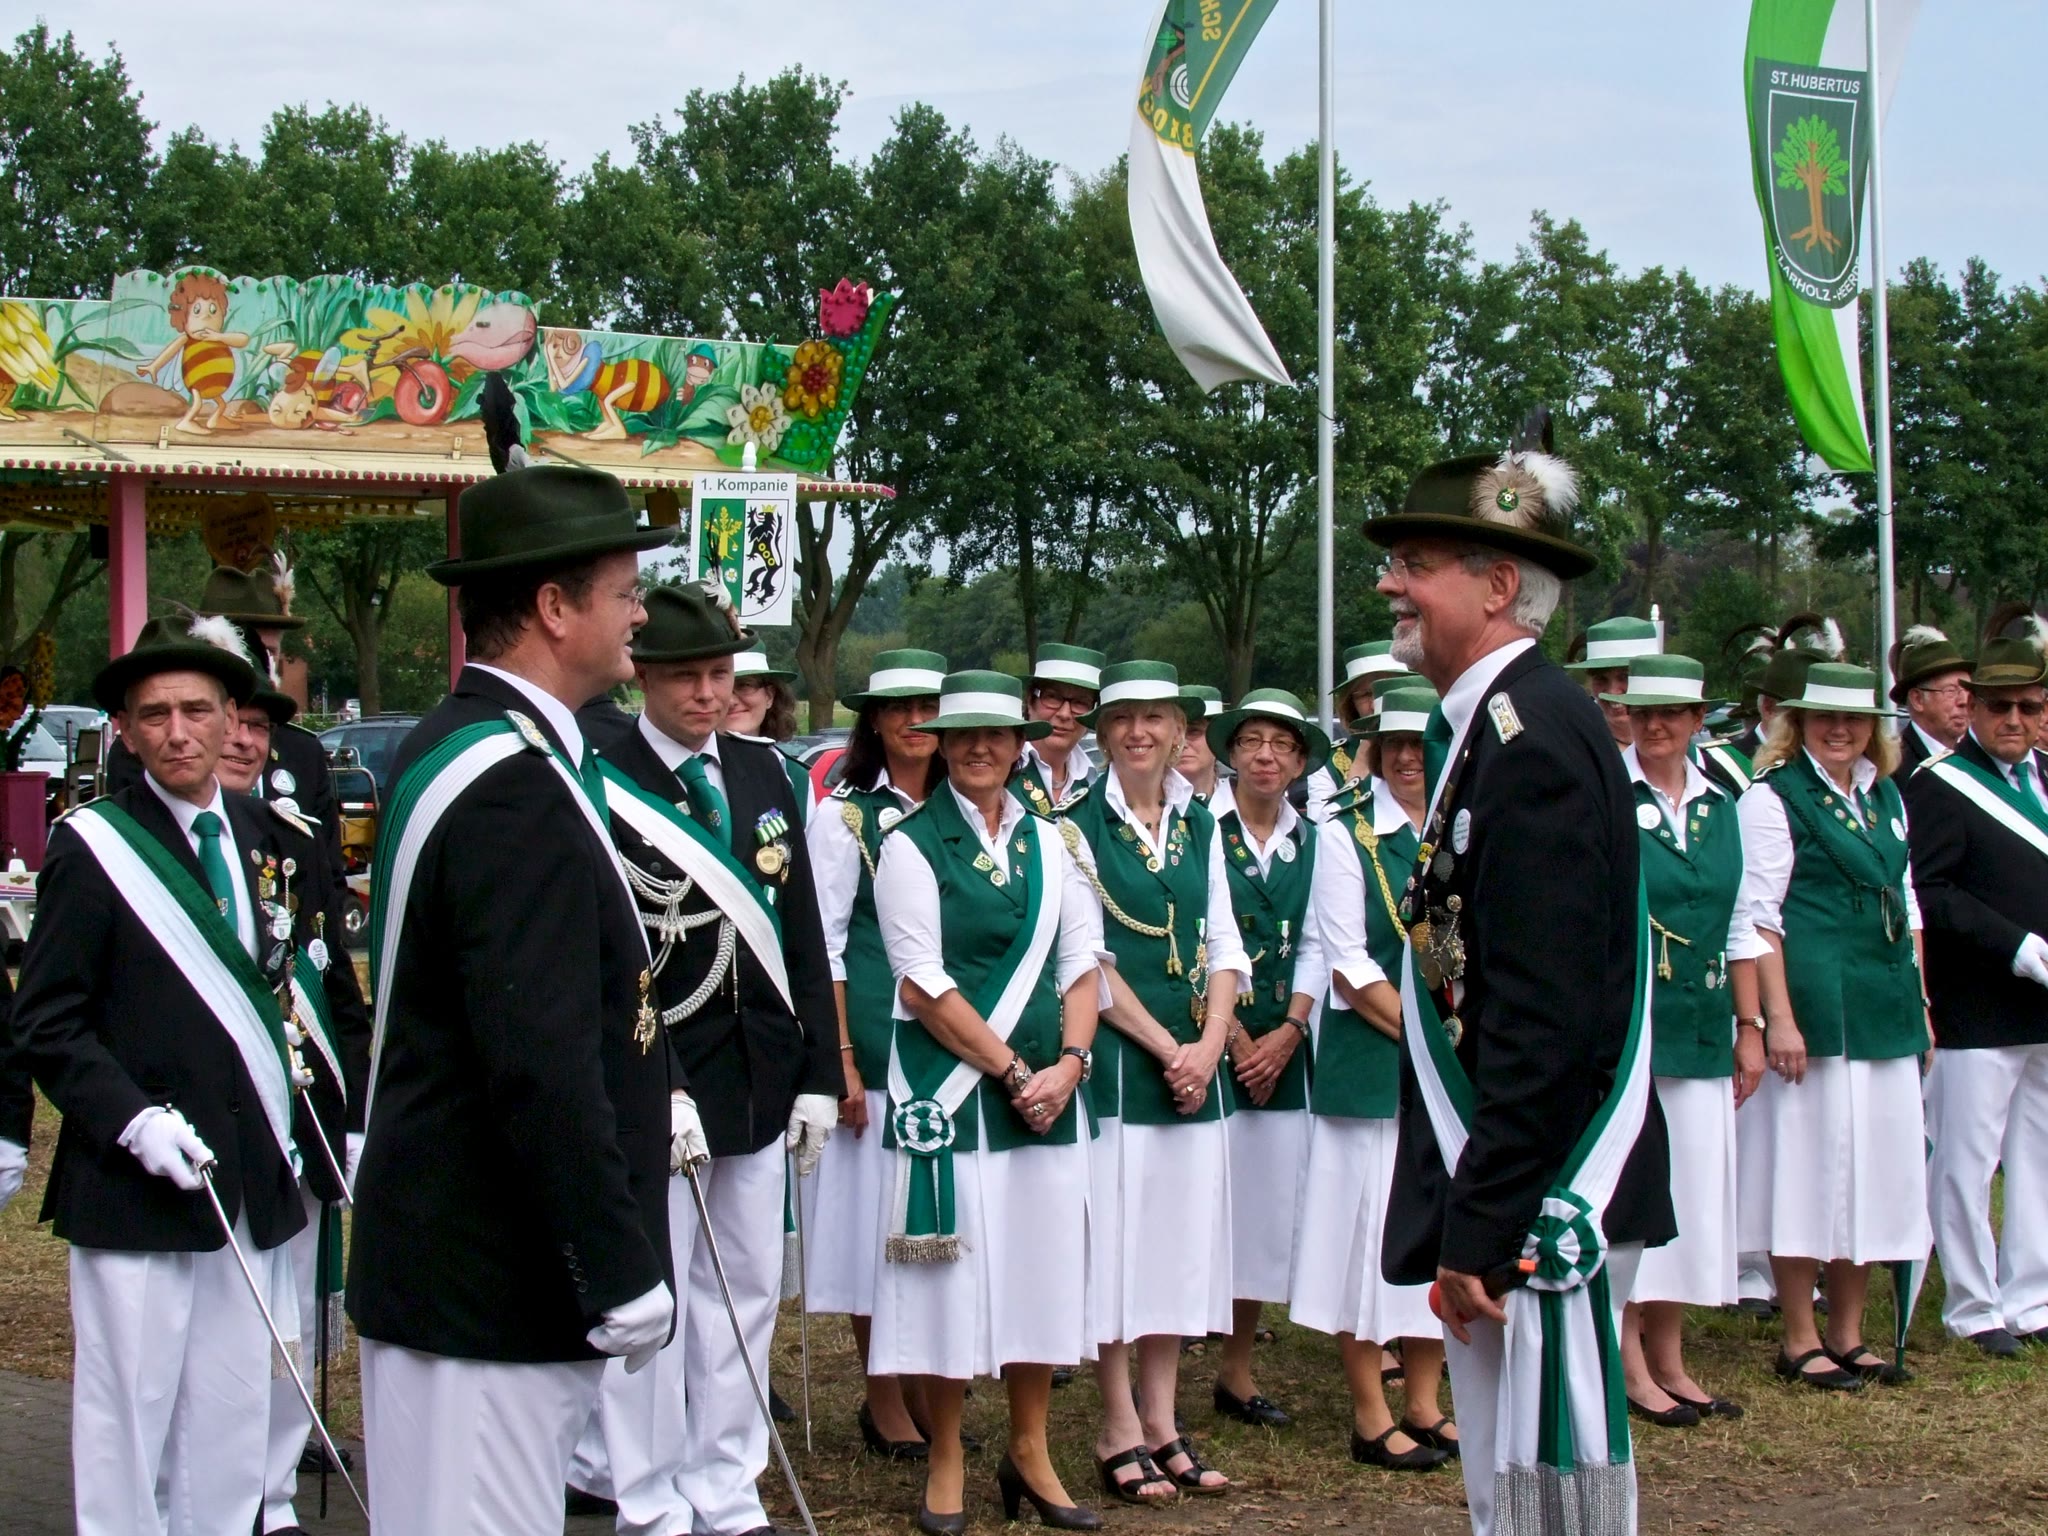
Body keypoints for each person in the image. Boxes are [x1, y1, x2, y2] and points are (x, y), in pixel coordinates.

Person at [347, 466, 686, 1534]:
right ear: (552, 607)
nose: (640, 615)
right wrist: (615, 1263)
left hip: (479, 1270)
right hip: (485, 1278)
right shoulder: (508, 785)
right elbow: (536, 1057)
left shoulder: (491, 747)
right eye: (624, 592)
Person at [1367, 423, 1673, 1536]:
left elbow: (1545, 1015)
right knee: (1523, 1502)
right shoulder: (1507, 721)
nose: (1389, 583)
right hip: (1522, 1180)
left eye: (1415, 563)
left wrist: (1481, 1225)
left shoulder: (1529, 735)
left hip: (1542, 1197)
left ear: (1498, 586)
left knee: (1542, 1506)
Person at [12, 616, 316, 1536]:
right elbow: (47, 1021)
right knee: (130, 1420)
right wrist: (134, 1120)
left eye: (197, 711)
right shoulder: (95, 846)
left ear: (234, 718)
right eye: (154, 716)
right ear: (126, 732)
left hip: (247, 1178)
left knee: (230, 1416)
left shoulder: (270, 837)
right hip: (134, 1185)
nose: (178, 733)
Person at [567, 582, 840, 1536]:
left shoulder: (766, 775)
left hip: (761, 1073)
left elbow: (800, 930)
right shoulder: (604, 777)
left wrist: (819, 1072)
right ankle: (644, 1496)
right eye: (686, 676)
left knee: (747, 1291)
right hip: (662, 1074)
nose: (709, 694)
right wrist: (661, 1084)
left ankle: (726, 1484)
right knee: (660, 1295)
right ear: (641, 678)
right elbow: (607, 954)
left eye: (722, 674)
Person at [868, 670, 1108, 1535]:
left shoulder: (1055, 841)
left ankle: (1030, 1449)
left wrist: (1072, 1064)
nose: (979, 748)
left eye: (996, 734)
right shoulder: (907, 843)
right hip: (956, 1095)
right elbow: (921, 983)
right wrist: (1013, 1072)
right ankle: (947, 1453)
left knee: (1041, 1268)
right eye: (962, 734)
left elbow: (1082, 963)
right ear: (939, 744)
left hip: (1051, 1091)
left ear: (1019, 745)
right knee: (950, 1278)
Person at [1064, 660, 1250, 1504]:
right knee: (1118, 1246)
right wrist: (1169, 1048)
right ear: (1102, 732)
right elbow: (1086, 962)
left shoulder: (1201, 821)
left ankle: (1164, 1419)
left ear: (1181, 730)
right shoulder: (1072, 827)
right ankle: (1117, 1424)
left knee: (1176, 1244)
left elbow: (1225, 944)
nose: (1139, 732)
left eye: (1156, 718)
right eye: (1123, 718)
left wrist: (1209, 1045)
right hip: (1120, 1069)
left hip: (1195, 1066)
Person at [206, 650, 373, 1536]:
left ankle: (270, 1497)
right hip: (205, 1125)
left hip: (298, 1110)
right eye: (230, 719)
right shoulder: (147, 845)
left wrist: (353, 1115)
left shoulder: (292, 841)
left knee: (285, 1323)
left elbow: (334, 983)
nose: (243, 739)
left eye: (259, 726)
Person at [1735, 661, 1931, 1392]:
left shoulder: (1886, 796)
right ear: (1799, 722)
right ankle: (1798, 1335)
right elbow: (1758, 917)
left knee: (1876, 1171)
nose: (1840, 730)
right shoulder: (1771, 797)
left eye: (1854, 719)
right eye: (1825, 717)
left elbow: (1907, 900)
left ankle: (1849, 1331)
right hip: (1815, 1010)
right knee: (1806, 1168)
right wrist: (1777, 1019)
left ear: (1874, 729)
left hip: (1885, 1005)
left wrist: (1922, 1003)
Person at [1292, 682, 1454, 1471]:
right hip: (1371, 1063)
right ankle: (1368, 1412)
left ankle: (1424, 1401)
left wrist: (1455, 1041)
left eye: (1422, 744)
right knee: (1364, 1238)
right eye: (1396, 745)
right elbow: (1348, 965)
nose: (1409, 759)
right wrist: (1433, 1041)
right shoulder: (1344, 830)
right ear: (1377, 750)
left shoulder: (1461, 829)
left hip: (1445, 1066)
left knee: (1438, 1230)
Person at [1601, 655, 1765, 1427]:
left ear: (1700, 720)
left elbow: (1741, 925)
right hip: (1634, 1027)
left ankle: (1669, 1358)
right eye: (1645, 712)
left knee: (1689, 1195)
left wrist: (1751, 1027)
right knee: (1635, 1197)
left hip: (1702, 1023)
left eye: (1673, 712)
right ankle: (1627, 1361)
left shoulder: (1722, 804)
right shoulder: (1610, 792)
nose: (1657, 725)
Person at [803, 648, 948, 1457]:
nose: (915, 721)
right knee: (873, 1229)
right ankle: (882, 1397)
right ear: (874, 722)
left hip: (954, 1051)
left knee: (932, 1230)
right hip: (878, 1043)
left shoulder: (971, 806)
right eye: (898, 708)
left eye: (929, 706)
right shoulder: (844, 816)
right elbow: (824, 943)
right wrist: (842, 1058)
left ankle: (927, 1382)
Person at [1905, 629, 2048, 1355]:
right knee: (1964, 1161)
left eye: (2028, 707)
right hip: (1977, 1004)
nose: (2013, 720)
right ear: (1976, 708)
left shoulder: (2046, 777)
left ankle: (2031, 1297)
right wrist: (2015, 946)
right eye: (1999, 707)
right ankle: (1973, 1304)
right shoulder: (1937, 783)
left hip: (2043, 1009)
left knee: (2038, 1158)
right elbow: (1930, 890)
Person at [1206, 689, 1325, 1433]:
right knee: (1196, 1207)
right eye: (1252, 741)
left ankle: (1236, 1369)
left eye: (1282, 744)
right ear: (1231, 753)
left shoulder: (1317, 841)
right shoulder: (1197, 828)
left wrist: (1290, 1031)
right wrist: (1233, 1037)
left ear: (1300, 761)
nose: (1266, 756)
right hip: (1205, 1043)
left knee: (1260, 1210)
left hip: (1282, 1050)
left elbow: (1319, 941)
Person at [1305, 641, 1408, 821]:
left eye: (1388, 690)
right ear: (1351, 704)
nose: (1376, 705)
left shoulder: (1435, 747)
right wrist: (1359, 767)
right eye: (1366, 694)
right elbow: (1319, 828)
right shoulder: (1328, 763)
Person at [728, 639, 817, 821]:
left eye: (744, 685)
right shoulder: (693, 773)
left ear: (769, 696)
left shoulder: (797, 778)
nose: (731, 701)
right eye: (723, 687)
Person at [1012, 644, 1105, 814]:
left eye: (1080, 703)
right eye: (1053, 697)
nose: (1064, 714)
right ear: (1030, 701)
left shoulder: (1094, 784)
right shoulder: (1003, 771)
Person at [1565, 616, 1661, 751]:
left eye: (1624, 677)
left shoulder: (1686, 751)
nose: (1612, 692)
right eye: (1601, 679)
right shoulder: (1576, 748)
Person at [1890, 625, 1973, 773]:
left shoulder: (1977, 760)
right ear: (1918, 700)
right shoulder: (1893, 767)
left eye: (1967, 689)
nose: (1964, 701)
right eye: (1951, 691)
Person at [1177, 685, 1233, 816]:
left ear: (1218, 738)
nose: (1182, 743)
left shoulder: (1241, 800)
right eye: (1175, 732)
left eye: (1193, 732)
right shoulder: (1143, 801)